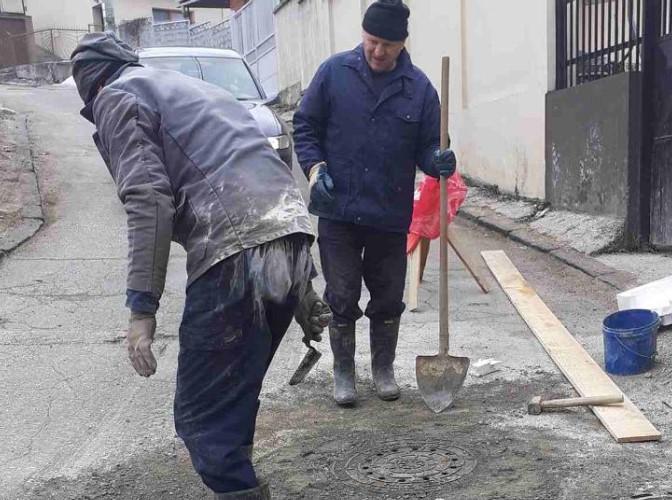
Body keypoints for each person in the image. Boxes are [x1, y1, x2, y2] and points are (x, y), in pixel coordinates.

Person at [71, 32, 331, 500]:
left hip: (236, 251)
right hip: (289, 234)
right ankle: (238, 482)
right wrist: (303, 282)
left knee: (201, 415)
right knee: (232, 399)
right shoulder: (200, 91)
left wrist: (141, 310)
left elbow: (148, 200)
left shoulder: (116, 97)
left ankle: (237, 489)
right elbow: (265, 176)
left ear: (89, 86)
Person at [293, 0, 456, 407]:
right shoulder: (334, 73)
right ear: (362, 35)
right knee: (342, 294)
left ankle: (383, 368)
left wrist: (438, 158)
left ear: (402, 44)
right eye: (371, 41)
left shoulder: (418, 90)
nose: (377, 51)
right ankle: (344, 371)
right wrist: (315, 169)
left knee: (387, 297)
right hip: (338, 211)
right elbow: (305, 125)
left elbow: (430, 145)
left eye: (387, 44)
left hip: (388, 213)